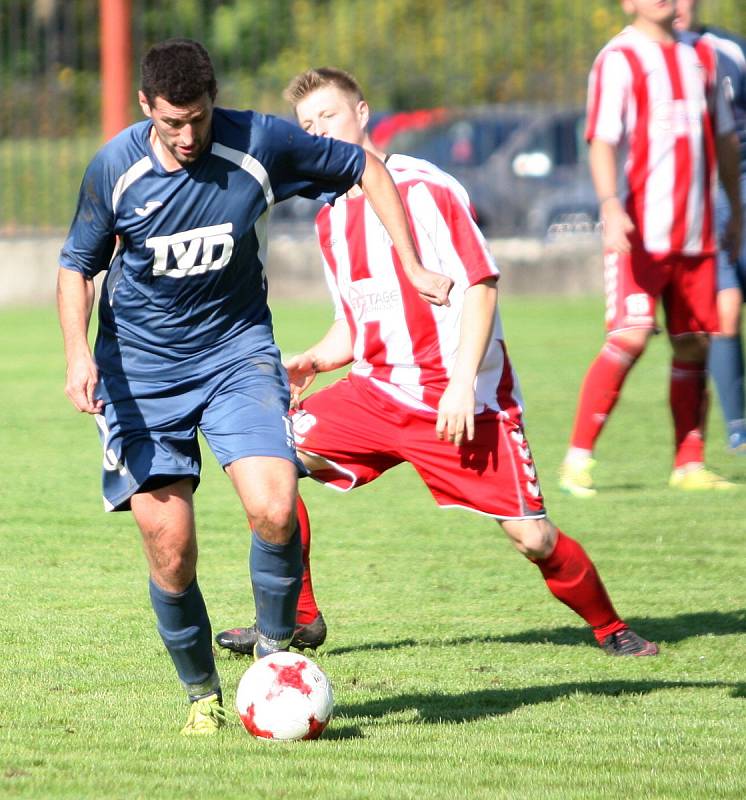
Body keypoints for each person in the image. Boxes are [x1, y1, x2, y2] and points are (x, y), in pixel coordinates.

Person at [57, 39, 451, 736]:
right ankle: (201, 694)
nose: (187, 136)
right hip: (139, 375)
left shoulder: (257, 141)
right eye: (172, 122)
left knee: (275, 508)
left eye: (199, 119)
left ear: (215, 103)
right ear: (146, 107)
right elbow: (76, 265)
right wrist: (75, 356)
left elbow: (365, 164)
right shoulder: (114, 168)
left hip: (236, 354)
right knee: (169, 545)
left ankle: (274, 662)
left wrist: (414, 267)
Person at [216, 67, 659, 660]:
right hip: (375, 395)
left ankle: (610, 627)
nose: (318, 131)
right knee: (268, 460)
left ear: (363, 112)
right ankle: (299, 617)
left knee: (533, 537)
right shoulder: (330, 218)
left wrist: (458, 384)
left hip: (463, 403)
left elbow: (480, 285)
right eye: (307, 124)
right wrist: (317, 358)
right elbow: (360, 319)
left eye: (330, 116)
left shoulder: (425, 188)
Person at [558, 0, 743, 499]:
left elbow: (725, 138)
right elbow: (602, 138)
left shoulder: (703, 56)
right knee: (631, 337)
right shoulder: (619, 58)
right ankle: (578, 460)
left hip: (695, 233)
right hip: (640, 233)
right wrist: (610, 204)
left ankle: (689, 462)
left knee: (693, 341)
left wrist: (735, 209)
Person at [674, 0, 746, 454]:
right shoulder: (635, 56)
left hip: (738, 181)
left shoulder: (729, 50)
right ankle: (737, 426)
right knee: (725, 306)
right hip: (697, 197)